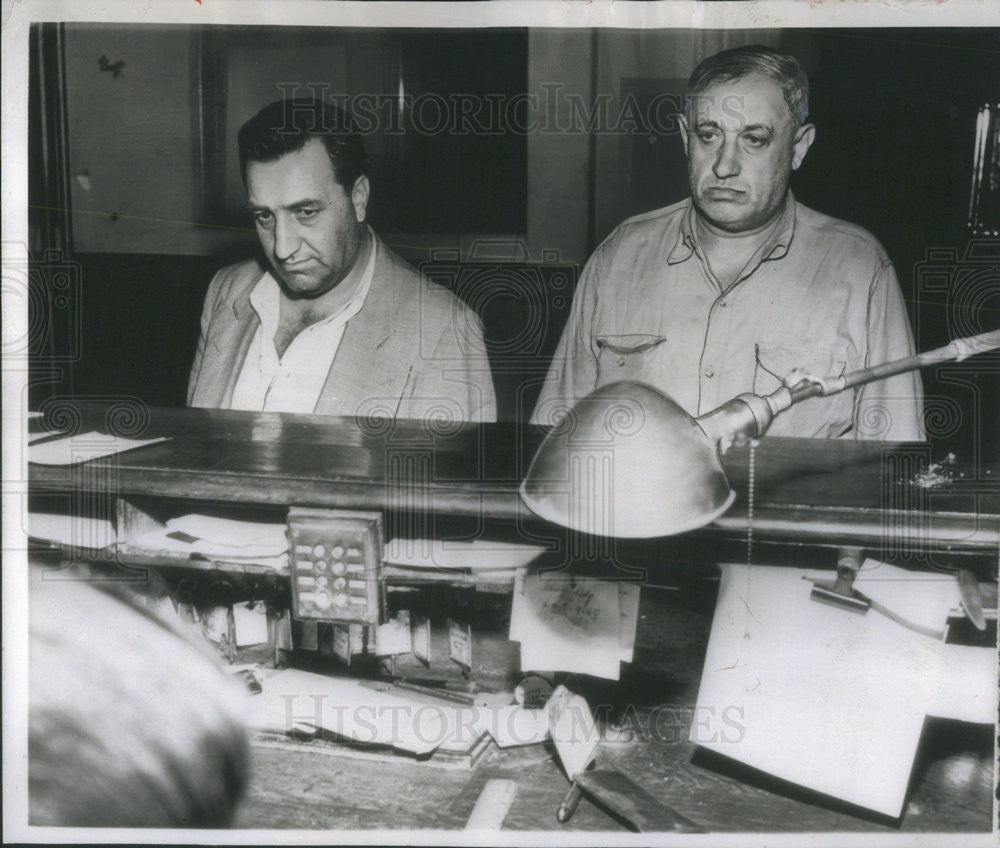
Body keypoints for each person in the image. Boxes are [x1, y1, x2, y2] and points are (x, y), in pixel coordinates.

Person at [532, 45, 924, 440]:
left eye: (754, 139)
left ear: (799, 147)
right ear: (686, 138)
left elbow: (893, 468)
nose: (723, 165)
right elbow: (556, 442)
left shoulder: (859, 269)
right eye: (708, 135)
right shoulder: (619, 258)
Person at [188, 97, 496, 423]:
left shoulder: (442, 331)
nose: (282, 247)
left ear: (359, 198)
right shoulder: (227, 290)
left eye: (305, 212)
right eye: (264, 216)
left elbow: (447, 474)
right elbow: (193, 451)